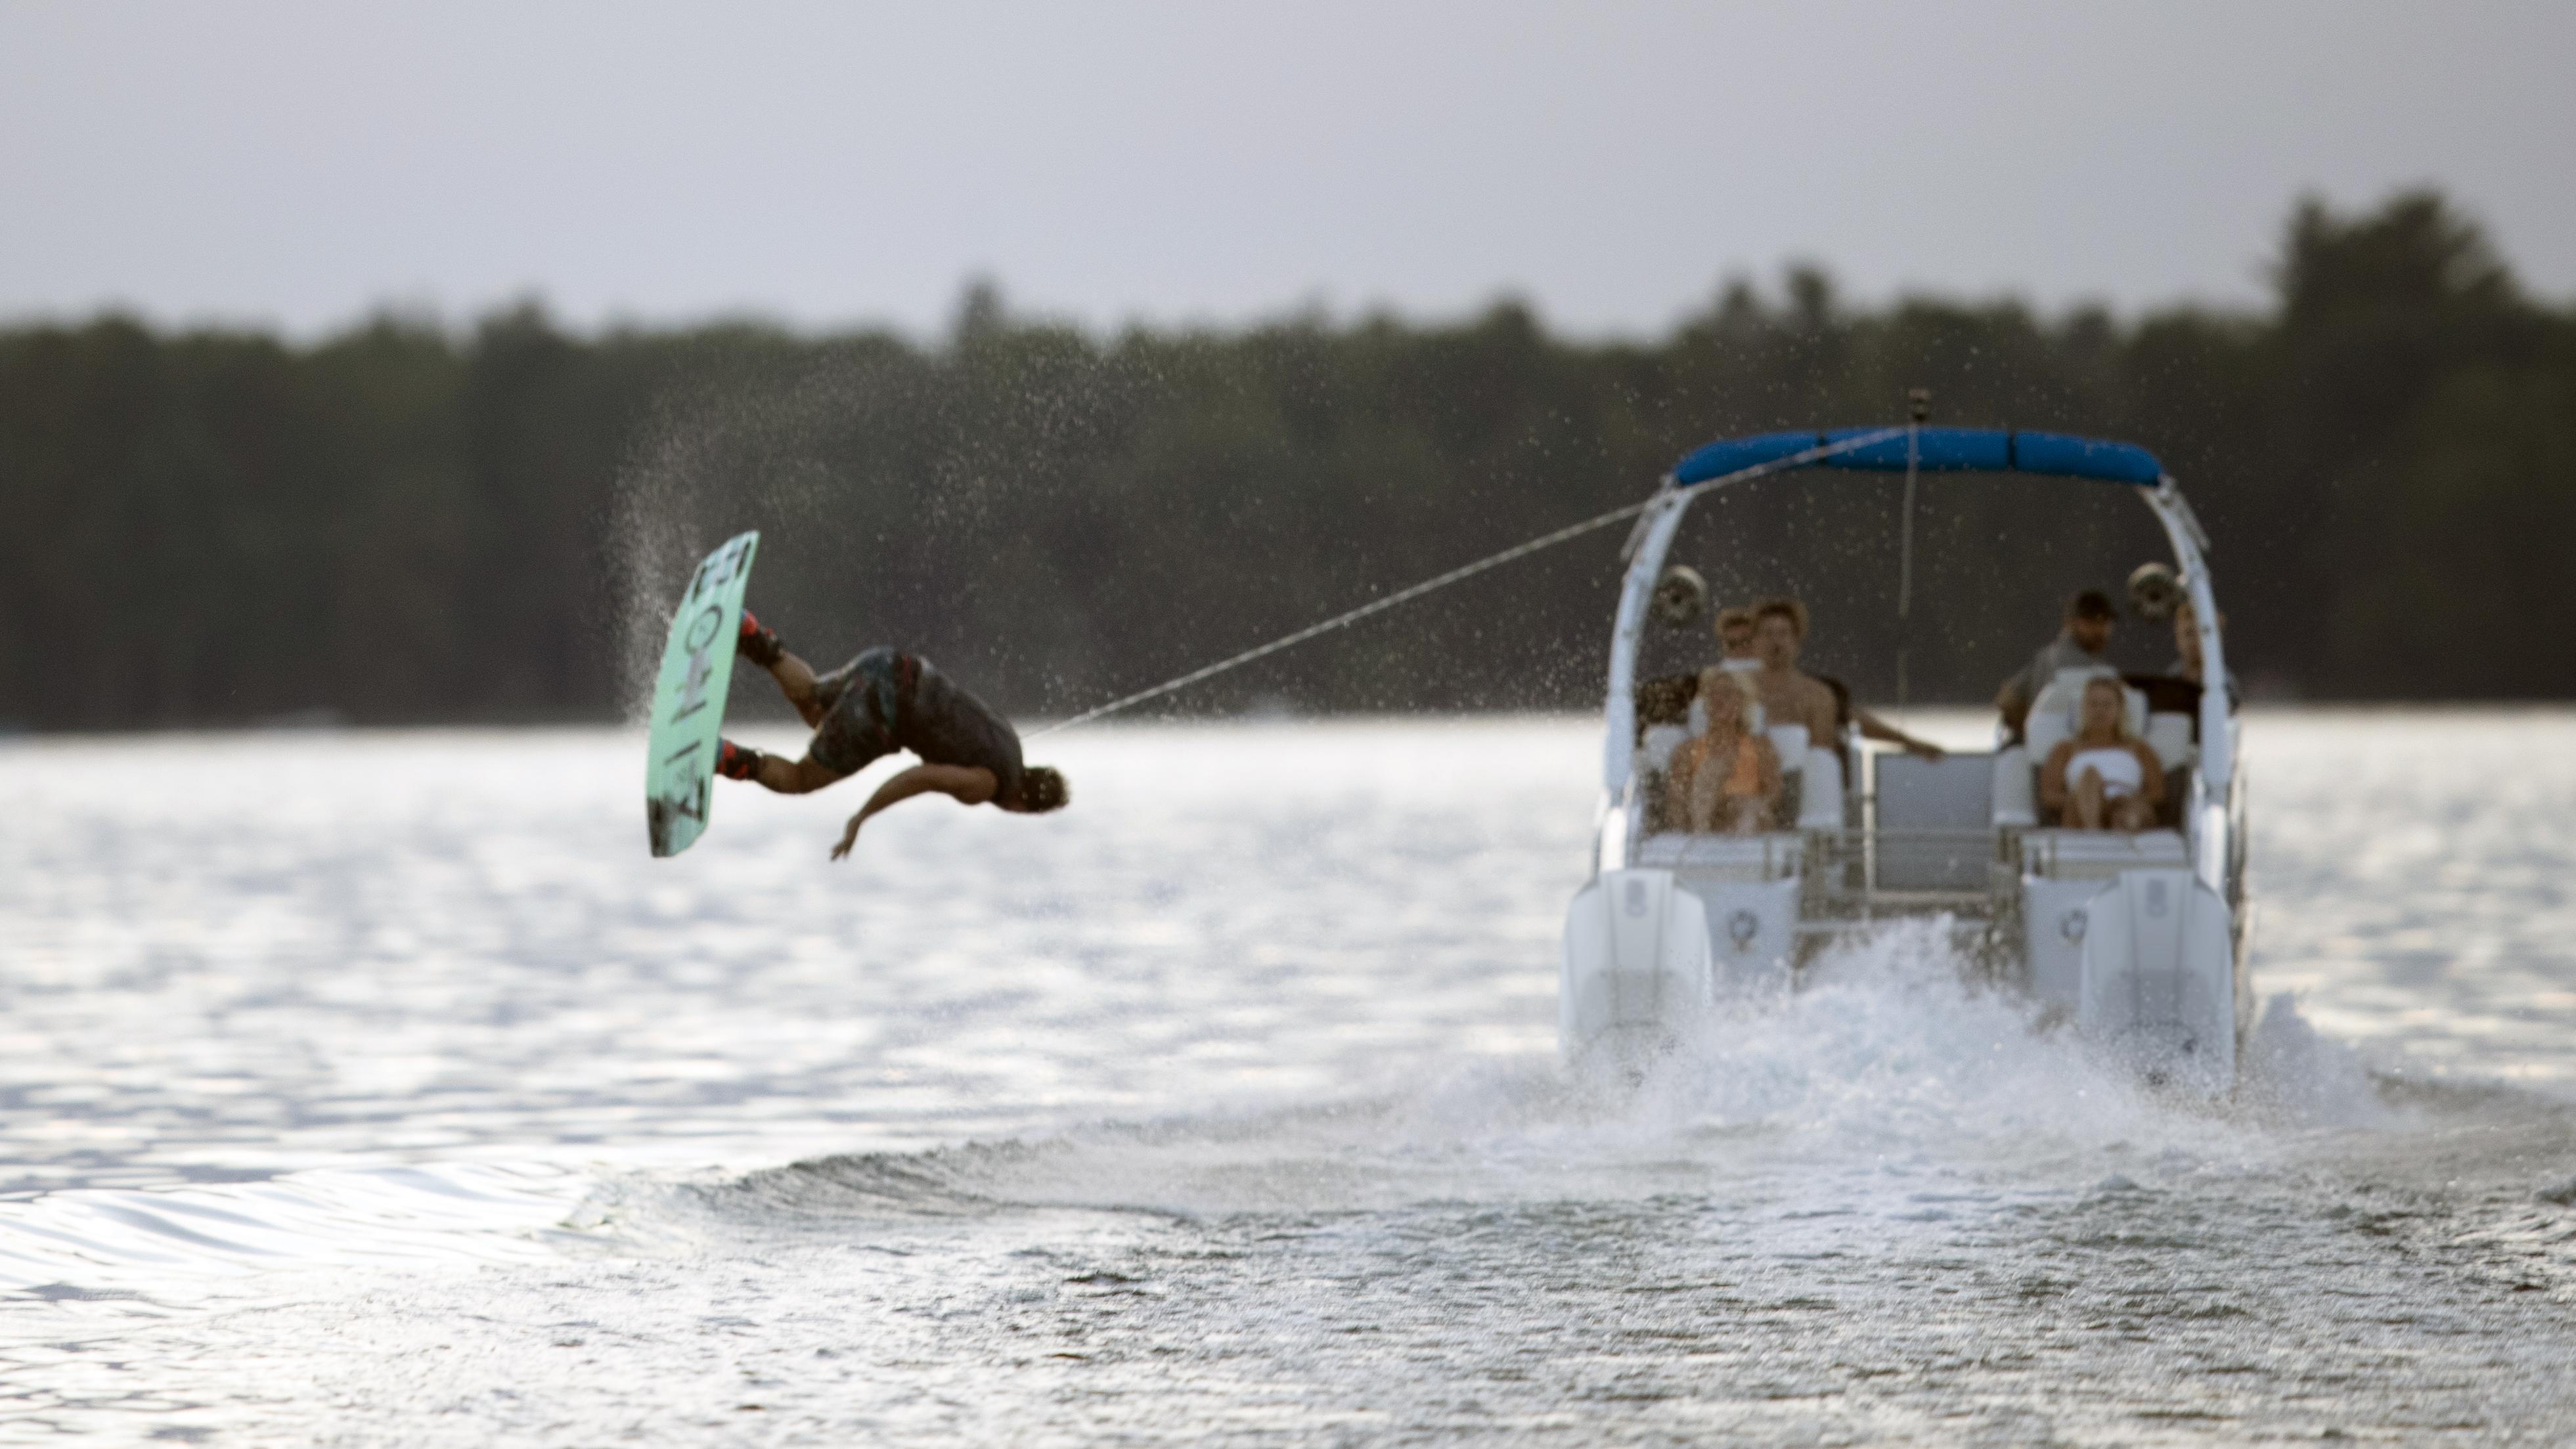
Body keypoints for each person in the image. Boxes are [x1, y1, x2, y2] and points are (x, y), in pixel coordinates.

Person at [713, 611, 1070, 858]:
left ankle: (752, 635)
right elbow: (920, 779)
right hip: (885, 710)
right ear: (1024, 808)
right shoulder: (987, 785)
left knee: (813, 704)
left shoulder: (1009, 742)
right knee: (800, 778)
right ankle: (723, 757)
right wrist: (863, 816)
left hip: (891, 665)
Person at [1748, 598, 1944, 760]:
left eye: (1783, 633)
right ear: (1755, 641)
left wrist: (1909, 742)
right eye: (1767, 633)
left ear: (1797, 640)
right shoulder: (1739, 689)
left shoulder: (1819, 693)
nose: (1775, 642)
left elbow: (1856, 720)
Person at [2039, 677, 2164, 832]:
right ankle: (2095, 833)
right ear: (2084, 708)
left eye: (2107, 705)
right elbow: (2050, 796)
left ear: (2120, 709)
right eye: (2093, 704)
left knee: (2130, 812)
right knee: (2090, 775)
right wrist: (2093, 800)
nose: (2100, 711)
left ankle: (2121, 832)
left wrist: (2120, 801)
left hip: (2127, 804)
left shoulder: (2139, 748)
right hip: (2081, 809)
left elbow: (2158, 793)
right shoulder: (2065, 749)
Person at [1665, 668, 1781, 834]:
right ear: (1705, 704)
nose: (1719, 699)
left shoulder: (1760, 747)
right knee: (1708, 776)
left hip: (1747, 822)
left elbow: (1773, 796)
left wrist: (1741, 804)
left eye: (1727, 693)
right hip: (1702, 818)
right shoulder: (1687, 750)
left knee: (1744, 808)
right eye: (1713, 694)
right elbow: (1676, 800)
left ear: (1742, 702)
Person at [1997, 589, 2118, 739]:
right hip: (2072, 747)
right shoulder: (2085, 665)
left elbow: (2009, 699)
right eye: (2090, 622)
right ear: (2070, 623)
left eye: (2104, 622)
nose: (2099, 629)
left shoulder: (2047, 655)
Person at [1713, 605, 1761, 671]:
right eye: (1732, 644)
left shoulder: (1776, 671)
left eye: (1746, 641)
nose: (1739, 648)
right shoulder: (1718, 676)